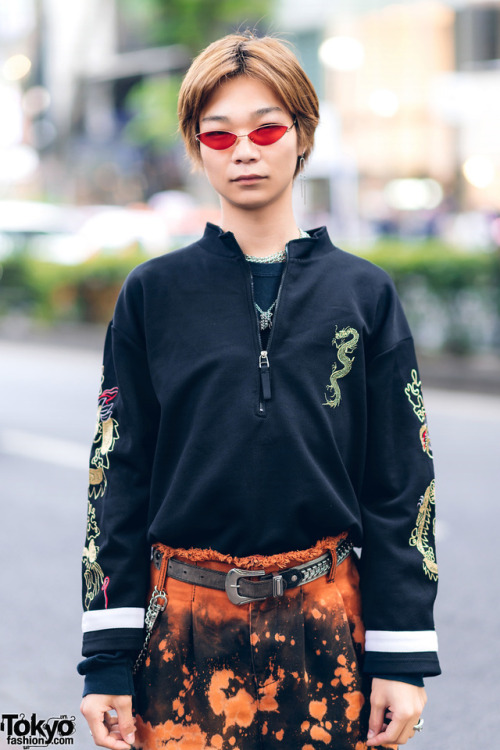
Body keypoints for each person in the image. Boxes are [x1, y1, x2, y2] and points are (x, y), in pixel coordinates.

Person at [79, 32, 440, 750]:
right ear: (196, 147)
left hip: (329, 628)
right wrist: (106, 665)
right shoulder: (154, 295)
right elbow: (117, 482)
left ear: (303, 136)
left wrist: (401, 659)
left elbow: (401, 486)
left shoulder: (364, 294)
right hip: (179, 632)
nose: (244, 149)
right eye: (219, 135)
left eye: (267, 128)